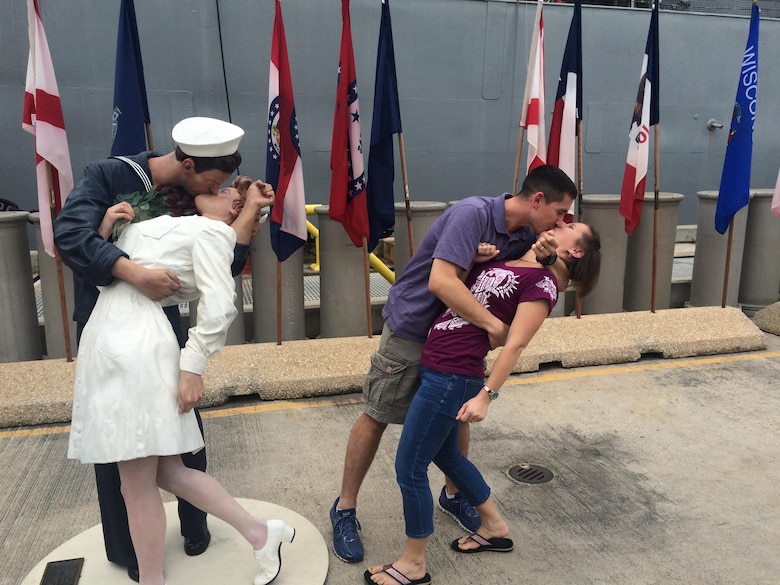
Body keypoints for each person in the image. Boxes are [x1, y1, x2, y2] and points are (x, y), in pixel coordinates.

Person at [331, 165, 577, 563]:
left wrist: (547, 258)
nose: (561, 221)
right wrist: (494, 326)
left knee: (457, 419)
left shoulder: (527, 235)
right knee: (377, 413)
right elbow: (441, 282)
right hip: (414, 327)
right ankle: (344, 509)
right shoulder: (473, 214)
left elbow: (542, 280)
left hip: (455, 344)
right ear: (537, 200)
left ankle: (452, 493)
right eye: (560, 212)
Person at [54, 117, 264, 581]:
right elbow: (70, 235)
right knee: (127, 456)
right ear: (187, 165)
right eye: (213, 181)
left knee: (173, 452)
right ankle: (134, 554)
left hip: (151, 332)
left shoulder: (204, 208)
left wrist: (243, 214)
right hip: (115, 321)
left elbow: (219, 276)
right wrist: (130, 268)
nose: (218, 188)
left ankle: (196, 533)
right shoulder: (108, 176)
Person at [365, 222, 601, 585]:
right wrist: (476, 257)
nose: (561, 223)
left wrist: (486, 395)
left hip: (455, 375)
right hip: (437, 365)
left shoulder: (544, 285)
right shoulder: (521, 262)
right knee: (447, 456)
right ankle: (493, 524)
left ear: (577, 251)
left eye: (570, 226)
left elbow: (515, 345)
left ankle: (414, 563)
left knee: (409, 467)